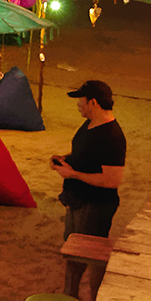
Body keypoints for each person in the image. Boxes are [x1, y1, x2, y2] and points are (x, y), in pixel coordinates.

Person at [51, 79, 127, 239]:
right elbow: (88, 154)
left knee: (83, 253)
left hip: (94, 206)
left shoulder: (111, 136)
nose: (78, 104)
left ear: (93, 102)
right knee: (72, 250)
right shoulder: (91, 124)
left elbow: (112, 180)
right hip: (78, 200)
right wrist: (65, 159)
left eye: (81, 100)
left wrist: (73, 174)